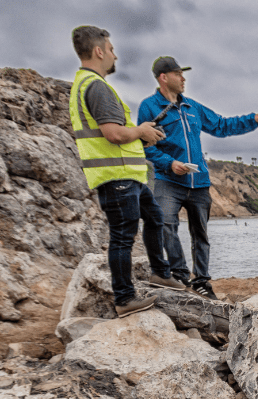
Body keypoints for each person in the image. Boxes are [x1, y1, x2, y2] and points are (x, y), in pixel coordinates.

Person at [69, 26, 186, 318]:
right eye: (110, 49)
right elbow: (113, 134)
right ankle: (124, 298)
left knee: (155, 217)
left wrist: (142, 134)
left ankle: (160, 272)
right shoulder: (96, 86)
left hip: (127, 176)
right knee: (123, 236)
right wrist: (142, 130)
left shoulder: (86, 84)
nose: (114, 55)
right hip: (116, 176)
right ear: (99, 51)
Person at [137, 57, 258, 300]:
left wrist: (253, 119)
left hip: (199, 183)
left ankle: (201, 281)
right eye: (178, 74)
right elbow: (145, 145)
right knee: (165, 224)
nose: (183, 78)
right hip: (169, 181)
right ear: (164, 77)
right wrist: (170, 163)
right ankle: (179, 274)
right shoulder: (149, 107)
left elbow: (221, 125)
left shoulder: (192, 107)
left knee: (200, 234)